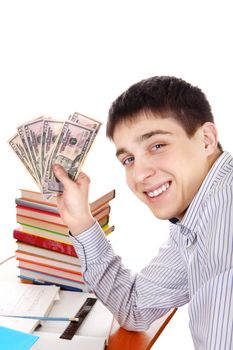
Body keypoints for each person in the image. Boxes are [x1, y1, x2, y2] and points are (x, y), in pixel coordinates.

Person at [53, 76, 233, 350]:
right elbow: (136, 308)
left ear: (206, 140)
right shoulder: (194, 219)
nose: (140, 174)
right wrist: (82, 223)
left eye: (157, 145)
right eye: (129, 159)